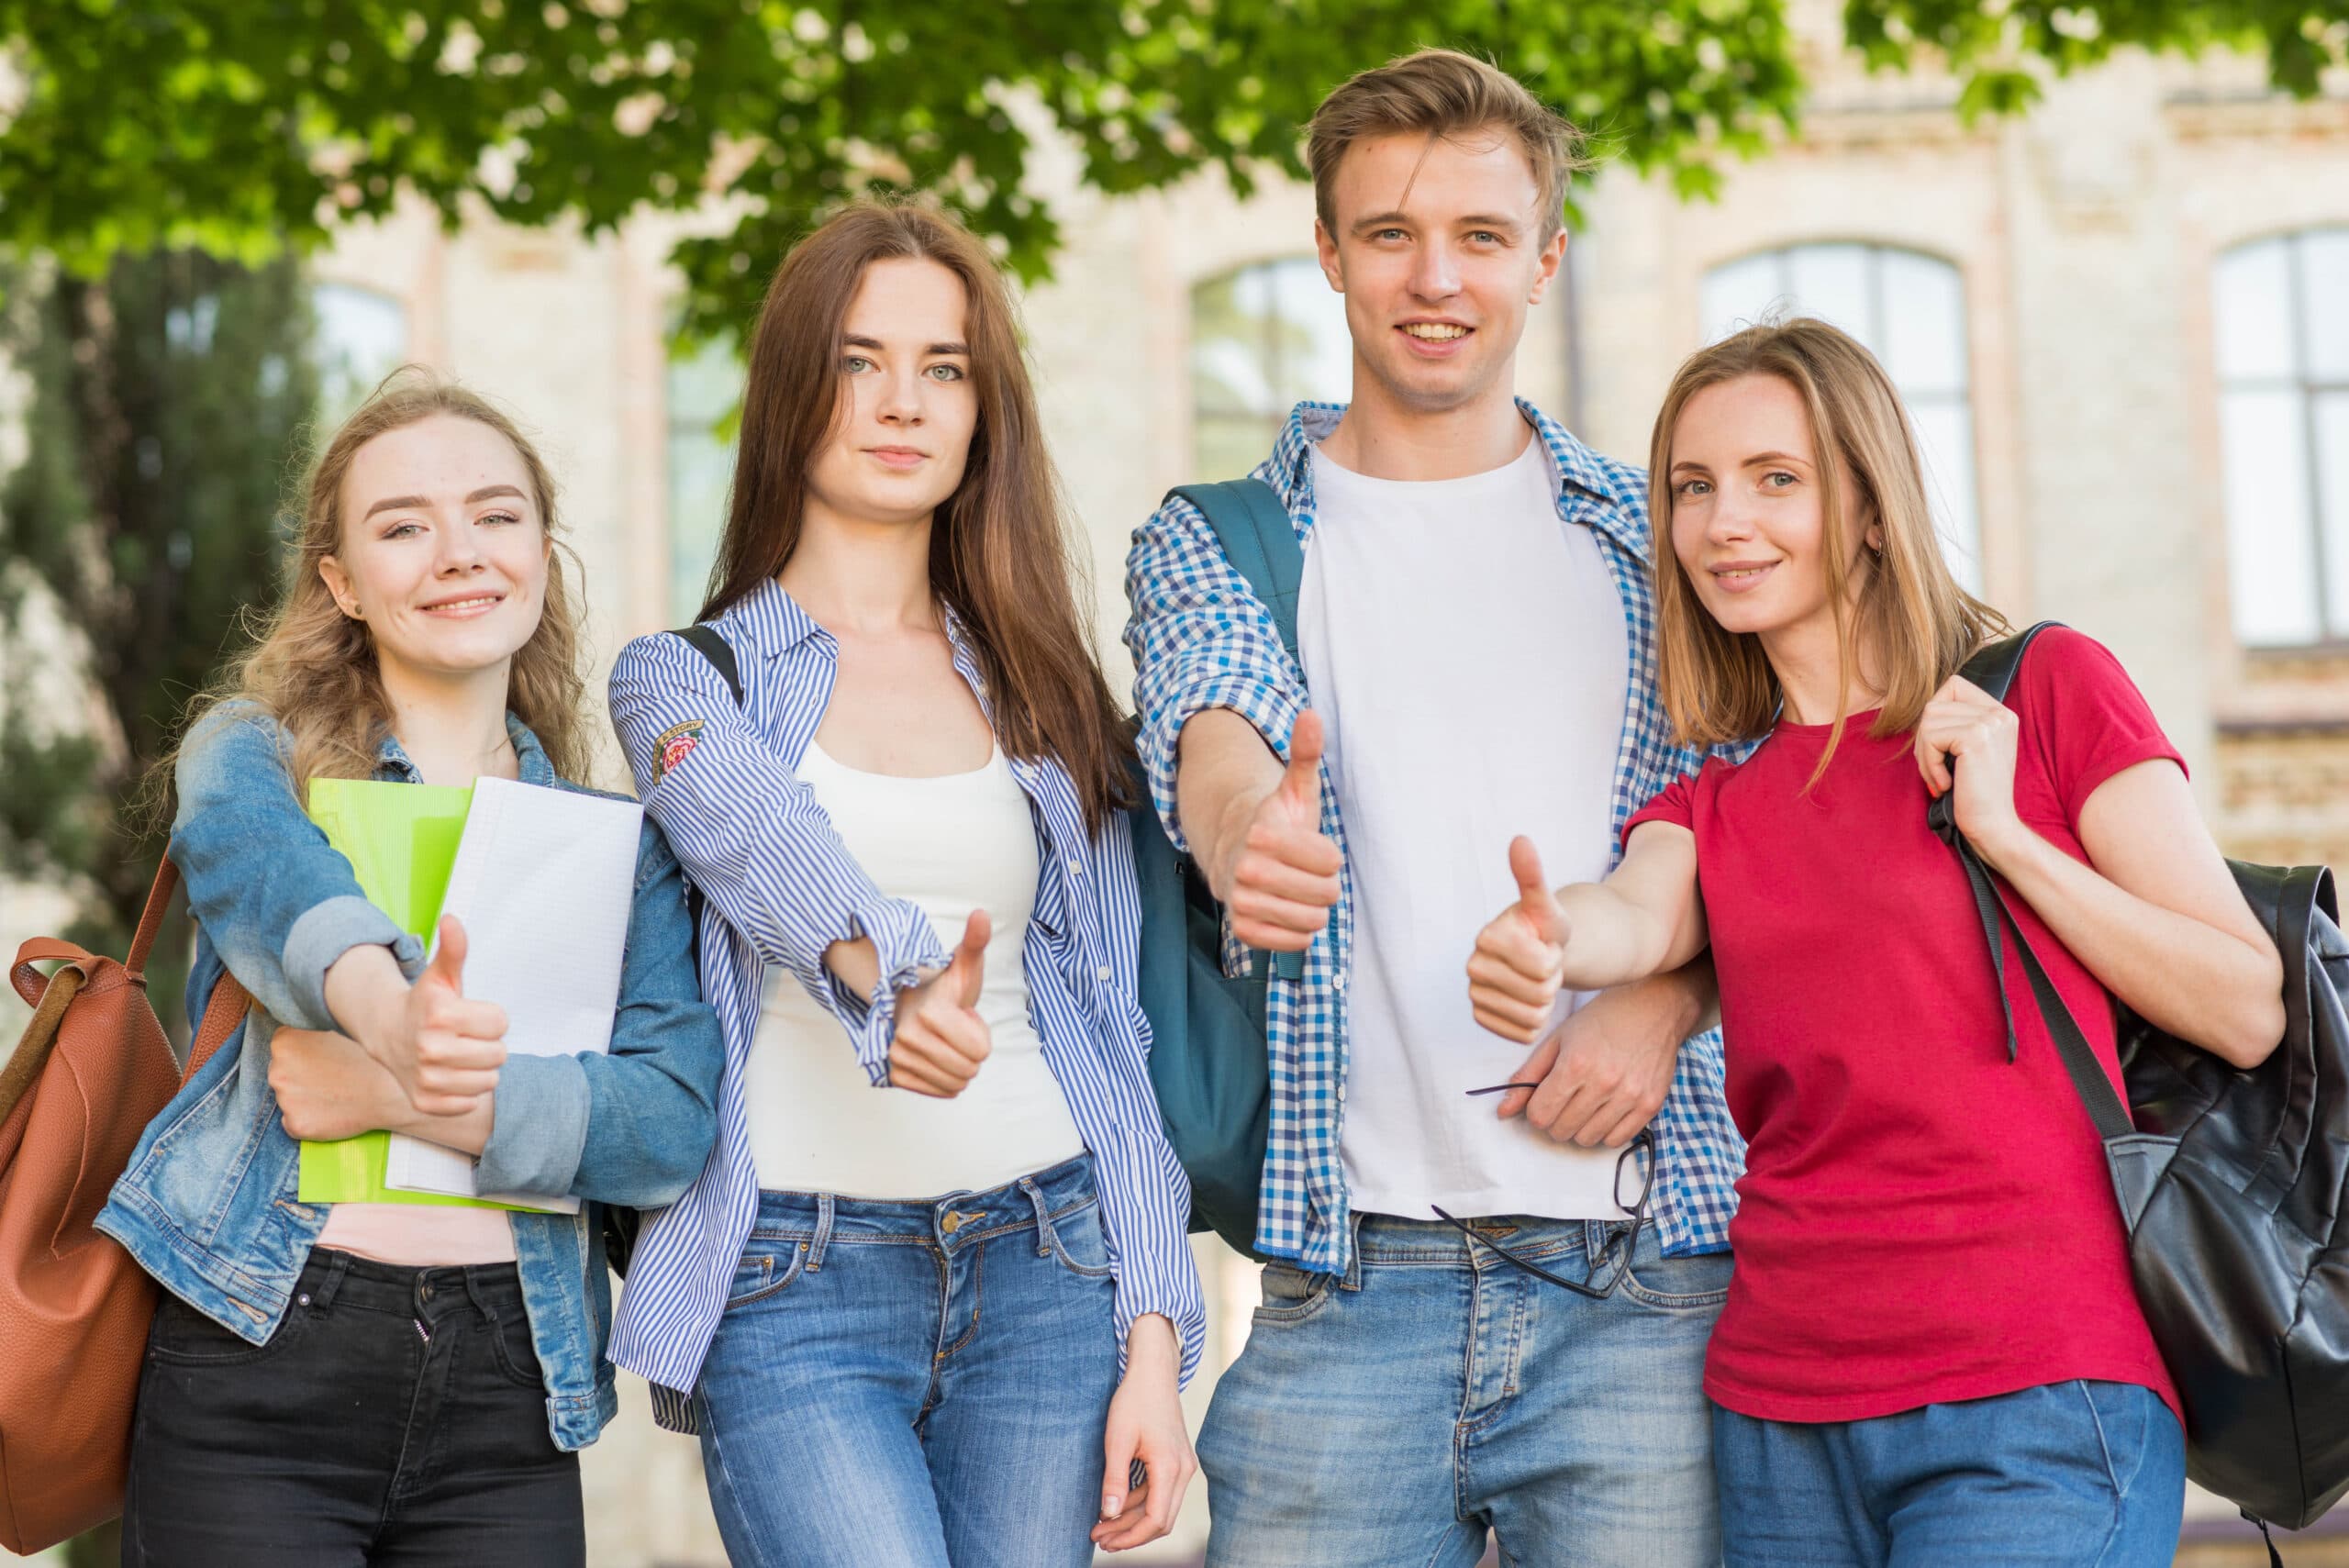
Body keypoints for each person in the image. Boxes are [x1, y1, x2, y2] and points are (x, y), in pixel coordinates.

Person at [1468, 317, 2282, 1564]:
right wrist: (1547, 938)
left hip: (2037, 1398)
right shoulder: (1718, 800)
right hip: (1778, 1421)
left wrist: (2007, 838)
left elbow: (2245, 1003)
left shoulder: (2044, 690)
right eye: (1693, 487)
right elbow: (1635, 912)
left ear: (1869, 508)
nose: (1725, 522)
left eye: (1774, 479)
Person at [1125, 49, 1744, 1568]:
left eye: (1480, 235)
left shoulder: (1659, 551)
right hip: (1347, 1296)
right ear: (1328, 252)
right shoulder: (1221, 537)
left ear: (1546, 258)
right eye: (1390, 233)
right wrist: (1247, 837)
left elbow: (1773, 838)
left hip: (1646, 1290)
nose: (1436, 278)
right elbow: (1215, 716)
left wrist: (1669, 996)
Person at [603, 199, 1207, 1568]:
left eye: (945, 367)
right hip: (794, 1283)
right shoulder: (684, 681)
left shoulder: (1048, 692)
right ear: (791, 389)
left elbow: (1108, 1029)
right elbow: (758, 838)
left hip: (1052, 1262)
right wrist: (892, 980)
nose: (903, 402)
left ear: (984, 412)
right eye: (859, 360)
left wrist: (1156, 1336)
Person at [96, 373, 727, 1566]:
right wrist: (389, 1011)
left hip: (511, 1389)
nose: (459, 552)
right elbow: (277, 882)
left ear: (540, 553)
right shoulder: (249, 757)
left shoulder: (616, 845)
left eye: (495, 514)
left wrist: (400, 1091)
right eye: (403, 527)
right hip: (258, 1352)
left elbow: (670, 1121)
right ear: (340, 583)